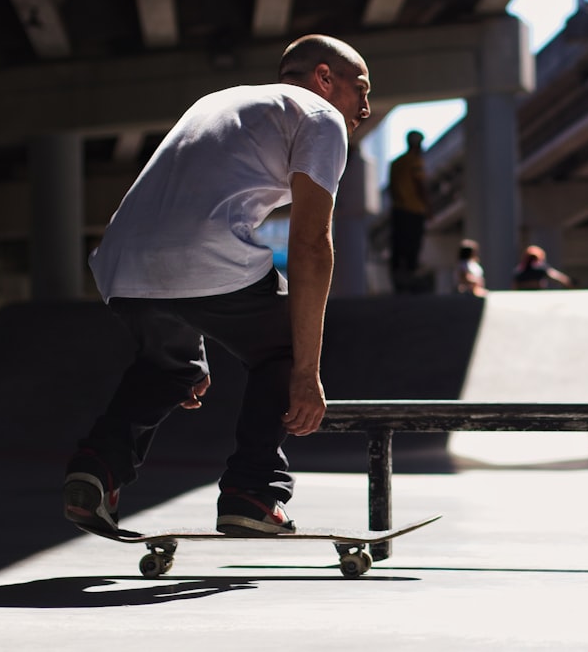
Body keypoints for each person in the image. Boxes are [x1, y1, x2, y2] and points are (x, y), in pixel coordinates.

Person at [62, 34, 371, 536]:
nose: (365, 108)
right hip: (198, 259)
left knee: (170, 369)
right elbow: (312, 243)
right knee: (288, 346)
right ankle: (253, 491)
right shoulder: (319, 115)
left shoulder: (219, 103)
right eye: (361, 89)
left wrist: (191, 337)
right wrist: (306, 372)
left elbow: (186, 218)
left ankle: (96, 470)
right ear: (323, 78)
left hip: (120, 265)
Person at [388, 130, 431, 292]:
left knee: (399, 245)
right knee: (413, 244)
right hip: (413, 210)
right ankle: (411, 276)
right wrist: (428, 207)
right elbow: (420, 185)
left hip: (398, 210)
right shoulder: (415, 161)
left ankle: (398, 278)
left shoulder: (396, 163)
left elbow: (392, 188)